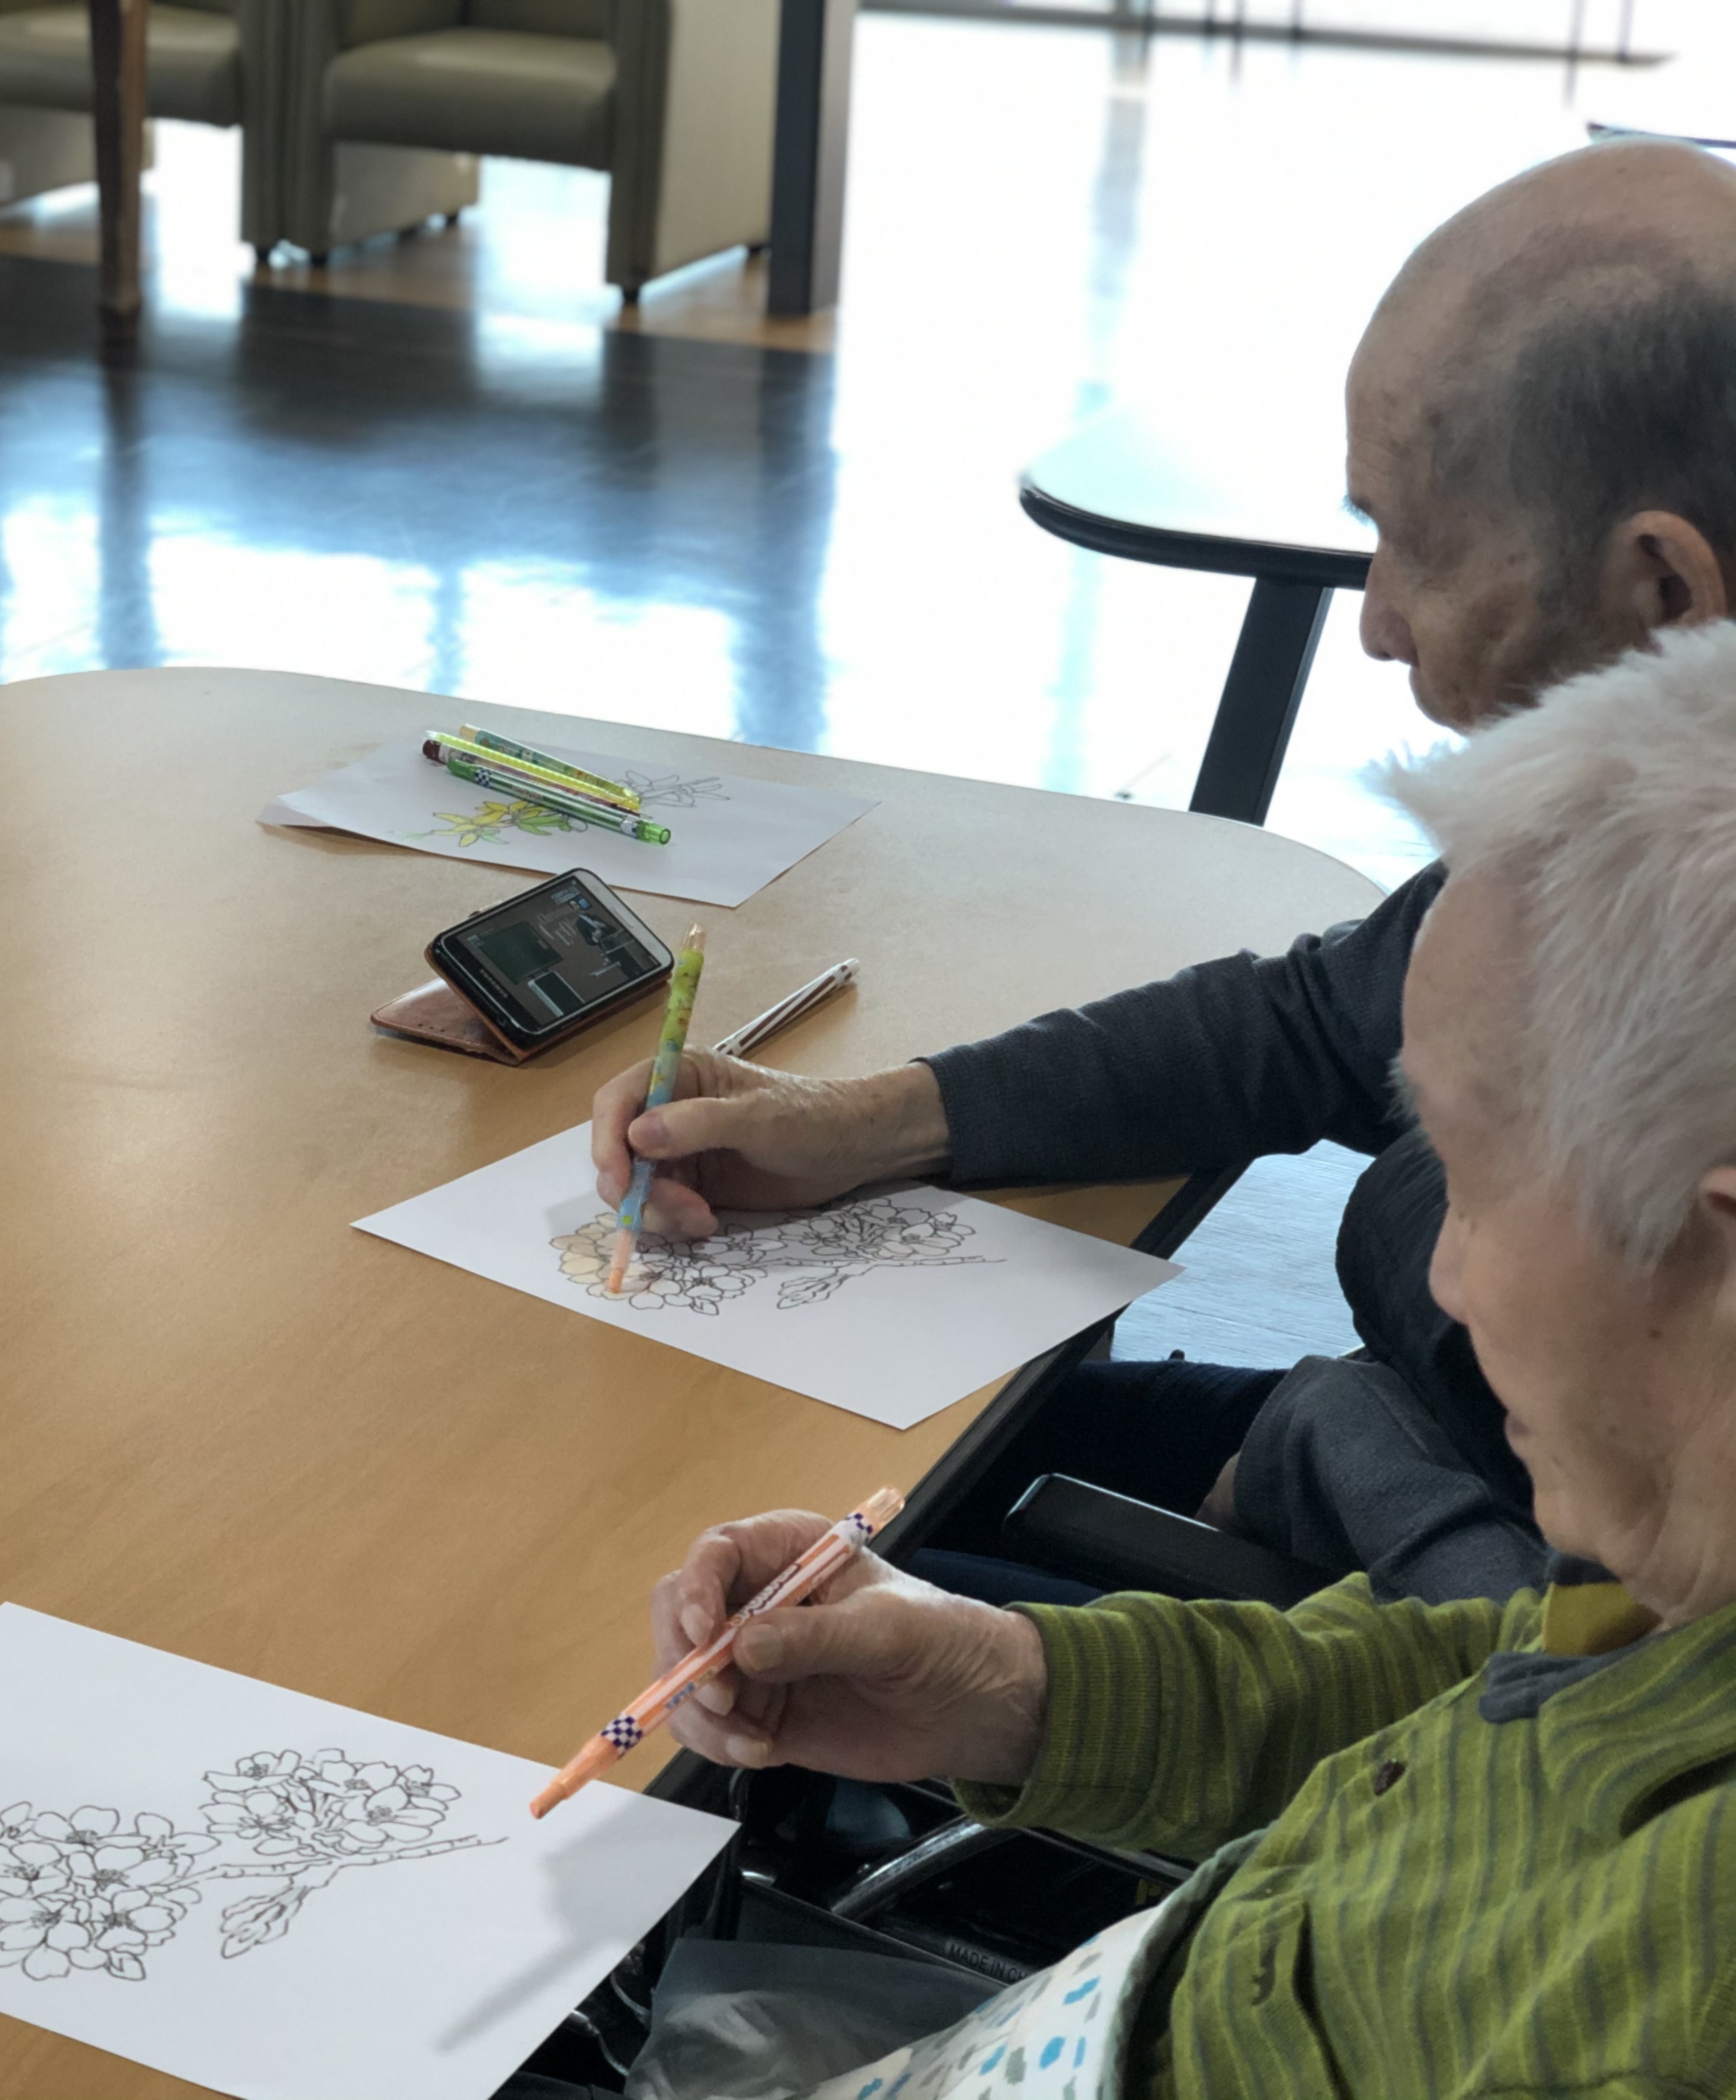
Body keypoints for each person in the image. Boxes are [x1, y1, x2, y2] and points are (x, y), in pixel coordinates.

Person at [591, 136, 1736, 1605]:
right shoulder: (1662, 820)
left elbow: (1585, 1662)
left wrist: (1335, 1439)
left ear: (1663, 587)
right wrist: (855, 1127)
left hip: (1450, 1598)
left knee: (748, 1595)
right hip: (1419, 1474)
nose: (1376, 622)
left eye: (1414, 548)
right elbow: (1317, 1017)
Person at [620, 617, 1736, 2099]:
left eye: (1473, 1189)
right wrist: (1012, 1683)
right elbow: (1487, 1703)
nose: (1445, 1279)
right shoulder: (1667, 1583)